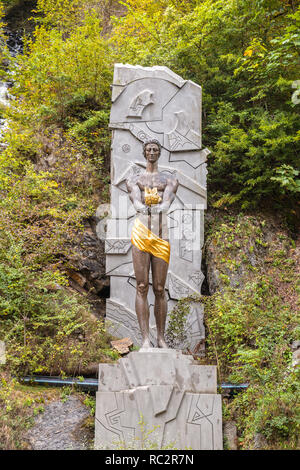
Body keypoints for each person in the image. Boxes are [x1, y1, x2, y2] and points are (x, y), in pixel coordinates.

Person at [126, 139, 178, 348]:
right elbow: (135, 200)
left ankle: (161, 338)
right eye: (148, 150)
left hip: (161, 234)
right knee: (141, 285)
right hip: (141, 233)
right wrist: (142, 205)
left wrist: (159, 206)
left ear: (160, 153)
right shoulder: (134, 179)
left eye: (155, 150)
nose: (152, 153)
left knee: (159, 288)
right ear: (144, 152)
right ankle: (146, 339)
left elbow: (167, 201)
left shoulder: (169, 180)